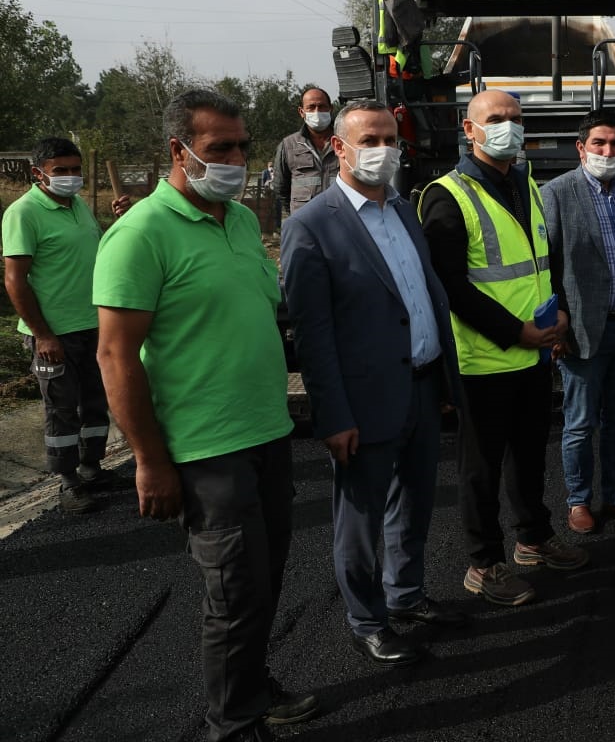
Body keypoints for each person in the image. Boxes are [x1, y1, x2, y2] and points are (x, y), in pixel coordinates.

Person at [94, 90, 315, 741]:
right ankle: (234, 723)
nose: (238, 160)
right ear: (179, 151)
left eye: (243, 146)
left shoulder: (242, 221)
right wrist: (150, 461)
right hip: (202, 449)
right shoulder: (138, 236)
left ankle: (252, 686)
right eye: (220, 149)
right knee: (235, 594)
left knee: (266, 577)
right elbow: (115, 357)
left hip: (267, 433)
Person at [281, 99, 467, 669]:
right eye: (370, 140)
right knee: (359, 522)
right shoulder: (310, 226)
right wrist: (332, 415)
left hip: (421, 385)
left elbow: (422, 296)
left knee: (414, 505)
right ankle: (367, 618)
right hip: (362, 403)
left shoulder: (404, 210)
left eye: (390, 138)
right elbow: (312, 336)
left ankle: (405, 595)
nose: (383, 149)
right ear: (339, 147)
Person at [418, 90, 586, 609]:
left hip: (535, 350)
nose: (507, 127)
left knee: (530, 456)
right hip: (484, 359)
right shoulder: (447, 194)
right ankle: (484, 565)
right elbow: (452, 285)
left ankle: (533, 538)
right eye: (495, 119)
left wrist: (558, 314)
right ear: (469, 130)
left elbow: (541, 258)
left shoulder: (525, 181)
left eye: (515, 118)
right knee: (481, 469)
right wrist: (515, 333)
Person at [542, 109, 615, 534]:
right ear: (581, 148)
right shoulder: (556, 193)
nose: (608, 151)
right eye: (599, 144)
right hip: (580, 333)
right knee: (579, 423)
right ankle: (578, 501)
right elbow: (546, 265)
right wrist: (555, 327)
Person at [2, 138, 129, 515]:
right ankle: (68, 482)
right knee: (61, 409)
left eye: (76, 170)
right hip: (53, 335)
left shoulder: (78, 206)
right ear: (37, 173)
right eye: (61, 171)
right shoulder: (23, 213)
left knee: (95, 402)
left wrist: (122, 223)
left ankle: (92, 468)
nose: (71, 177)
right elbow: (15, 281)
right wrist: (42, 333)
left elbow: (91, 254)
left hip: (93, 325)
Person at [272, 87, 339, 217]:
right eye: (311, 107)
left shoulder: (344, 142)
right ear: (301, 112)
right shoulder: (288, 145)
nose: (317, 111)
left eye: (322, 106)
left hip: (340, 219)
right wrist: (295, 214)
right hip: (305, 222)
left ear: (331, 109)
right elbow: (281, 188)